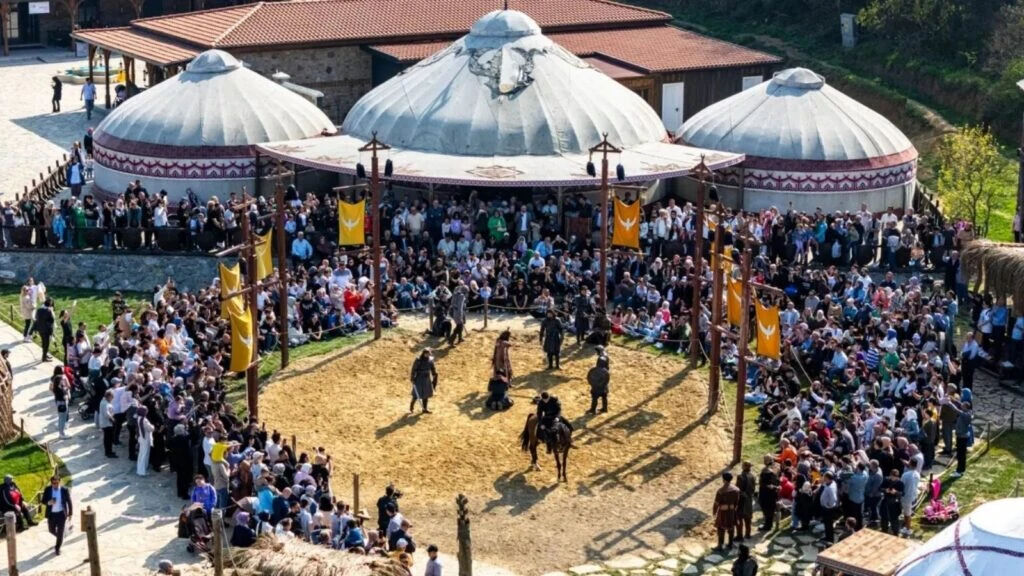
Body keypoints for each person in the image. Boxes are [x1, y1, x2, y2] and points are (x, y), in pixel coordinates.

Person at [42, 475, 72, 555]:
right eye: (53, 483)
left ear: (60, 482)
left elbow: (69, 502)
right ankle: (60, 537)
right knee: (51, 530)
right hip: (51, 514)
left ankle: (57, 548)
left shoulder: (64, 490)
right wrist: (48, 502)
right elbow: (43, 501)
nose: (55, 485)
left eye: (57, 483)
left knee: (60, 531)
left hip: (61, 514)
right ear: (51, 483)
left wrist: (70, 513)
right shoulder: (48, 489)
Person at [713, 472, 740, 552]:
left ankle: (720, 546)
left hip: (723, 512)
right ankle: (730, 544)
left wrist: (714, 512)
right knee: (731, 527)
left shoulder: (721, 491)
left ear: (723, 479)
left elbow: (716, 503)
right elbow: (737, 502)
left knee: (720, 528)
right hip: (732, 511)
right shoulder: (736, 490)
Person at [409, 349, 437, 414]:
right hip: (419, 378)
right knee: (416, 394)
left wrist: (434, 374)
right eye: (426, 354)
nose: (428, 355)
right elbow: (414, 369)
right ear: (423, 353)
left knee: (426, 394)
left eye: (429, 354)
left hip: (427, 379)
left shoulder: (430, 360)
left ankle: (425, 409)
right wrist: (412, 378)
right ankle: (411, 407)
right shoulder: (418, 360)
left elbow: (433, 368)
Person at [757, 455, 779, 531]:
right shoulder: (775, 468)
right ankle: (768, 524)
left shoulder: (766, 472)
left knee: (767, 509)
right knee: (770, 510)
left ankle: (767, 526)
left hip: (766, 494)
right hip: (772, 493)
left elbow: (765, 484)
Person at [735, 461, 756, 541]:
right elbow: (753, 489)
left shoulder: (740, 477)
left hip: (742, 500)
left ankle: (739, 536)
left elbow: (738, 489)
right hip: (749, 500)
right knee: (748, 518)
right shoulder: (753, 476)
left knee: (739, 518)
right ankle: (748, 534)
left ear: (744, 467)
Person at [586, 347, 610, 414]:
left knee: (595, 397)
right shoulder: (606, 356)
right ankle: (605, 408)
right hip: (604, 382)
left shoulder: (601, 359)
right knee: (604, 396)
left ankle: (593, 410)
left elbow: (593, 375)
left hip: (598, 384)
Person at [819, 471, 840, 544]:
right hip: (827, 508)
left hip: (828, 509)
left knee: (828, 524)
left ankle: (830, 539)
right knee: (827, 524)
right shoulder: (831, 483)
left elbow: (833, 499)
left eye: (825, 478)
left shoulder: (830, 488)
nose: (824, 479)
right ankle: (827, 537)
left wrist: (828, 505)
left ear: (828, 478)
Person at [50, 365, 70, 438]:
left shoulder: (54, 380)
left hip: (58, 399)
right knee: (63, 417)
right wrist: (66, 392)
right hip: (62, 401)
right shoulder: (62, 379)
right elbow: (68, 386)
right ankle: (62, 434)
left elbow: (51, 388)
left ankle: (61, 430)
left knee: (61, 416)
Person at [136, 406, 154, 476]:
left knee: (141, 454)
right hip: (145, 438)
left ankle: (141, 469)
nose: (147, 411)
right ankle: (141, 471)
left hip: (141, 438)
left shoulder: (139, 418)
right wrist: (153, 426)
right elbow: (150, 428)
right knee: (144, 454)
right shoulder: (144, 420)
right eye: (146, 410)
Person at [98, 389, 117, 457]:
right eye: (112, 397)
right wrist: (113, 419)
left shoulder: (105, 401)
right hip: (107, 424)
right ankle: (108, 453)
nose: (112, 398)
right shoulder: (104, 403)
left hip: (107, 423)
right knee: (108, 439)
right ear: (108, 396)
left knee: (108, 438)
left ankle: (109, 451)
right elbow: (106, 414)